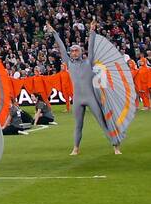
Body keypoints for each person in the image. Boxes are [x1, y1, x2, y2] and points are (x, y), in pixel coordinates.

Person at [47, 22, 122, 155]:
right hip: (78, 98)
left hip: (90, 97)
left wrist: (92, 31)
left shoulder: (89, 62)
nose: (74, 52)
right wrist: (53, 32)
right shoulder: (69, 63)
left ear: (81, 52)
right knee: (78, 125)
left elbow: (91, 47)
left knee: (102, 121)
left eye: (76, 50)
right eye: (72, 51)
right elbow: (62, 47)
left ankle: (115, 146)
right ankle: (76, 148)